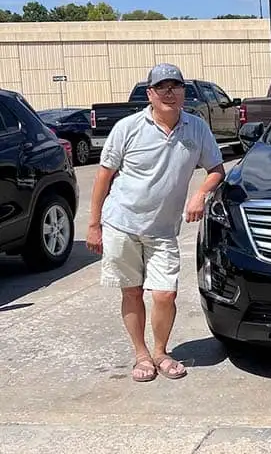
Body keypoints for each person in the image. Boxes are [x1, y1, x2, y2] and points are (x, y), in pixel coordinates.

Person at [86, 63, 226, 382]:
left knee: (165, 294)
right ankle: (141, 355)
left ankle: (161, 352)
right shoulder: (128, 128)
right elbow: (103, 176)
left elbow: (217, 169)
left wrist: (199, 194)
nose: (168, 93)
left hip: (163, 230)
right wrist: (94, 224)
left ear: (183, 92)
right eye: (161, 87)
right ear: (150, 93)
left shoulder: (196, 128)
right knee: (132, 292)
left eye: (175, 86)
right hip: (122, 223)